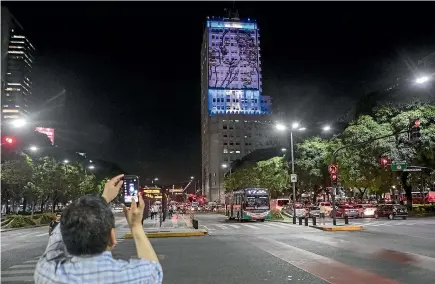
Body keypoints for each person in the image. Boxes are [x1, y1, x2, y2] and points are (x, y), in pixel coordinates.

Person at [34, 174, 163, 284]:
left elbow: (55, 243)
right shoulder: (134, 277)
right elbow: (155, 269)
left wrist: (103, 198)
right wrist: (136, 227)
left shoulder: (47, 274)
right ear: (112, 237)